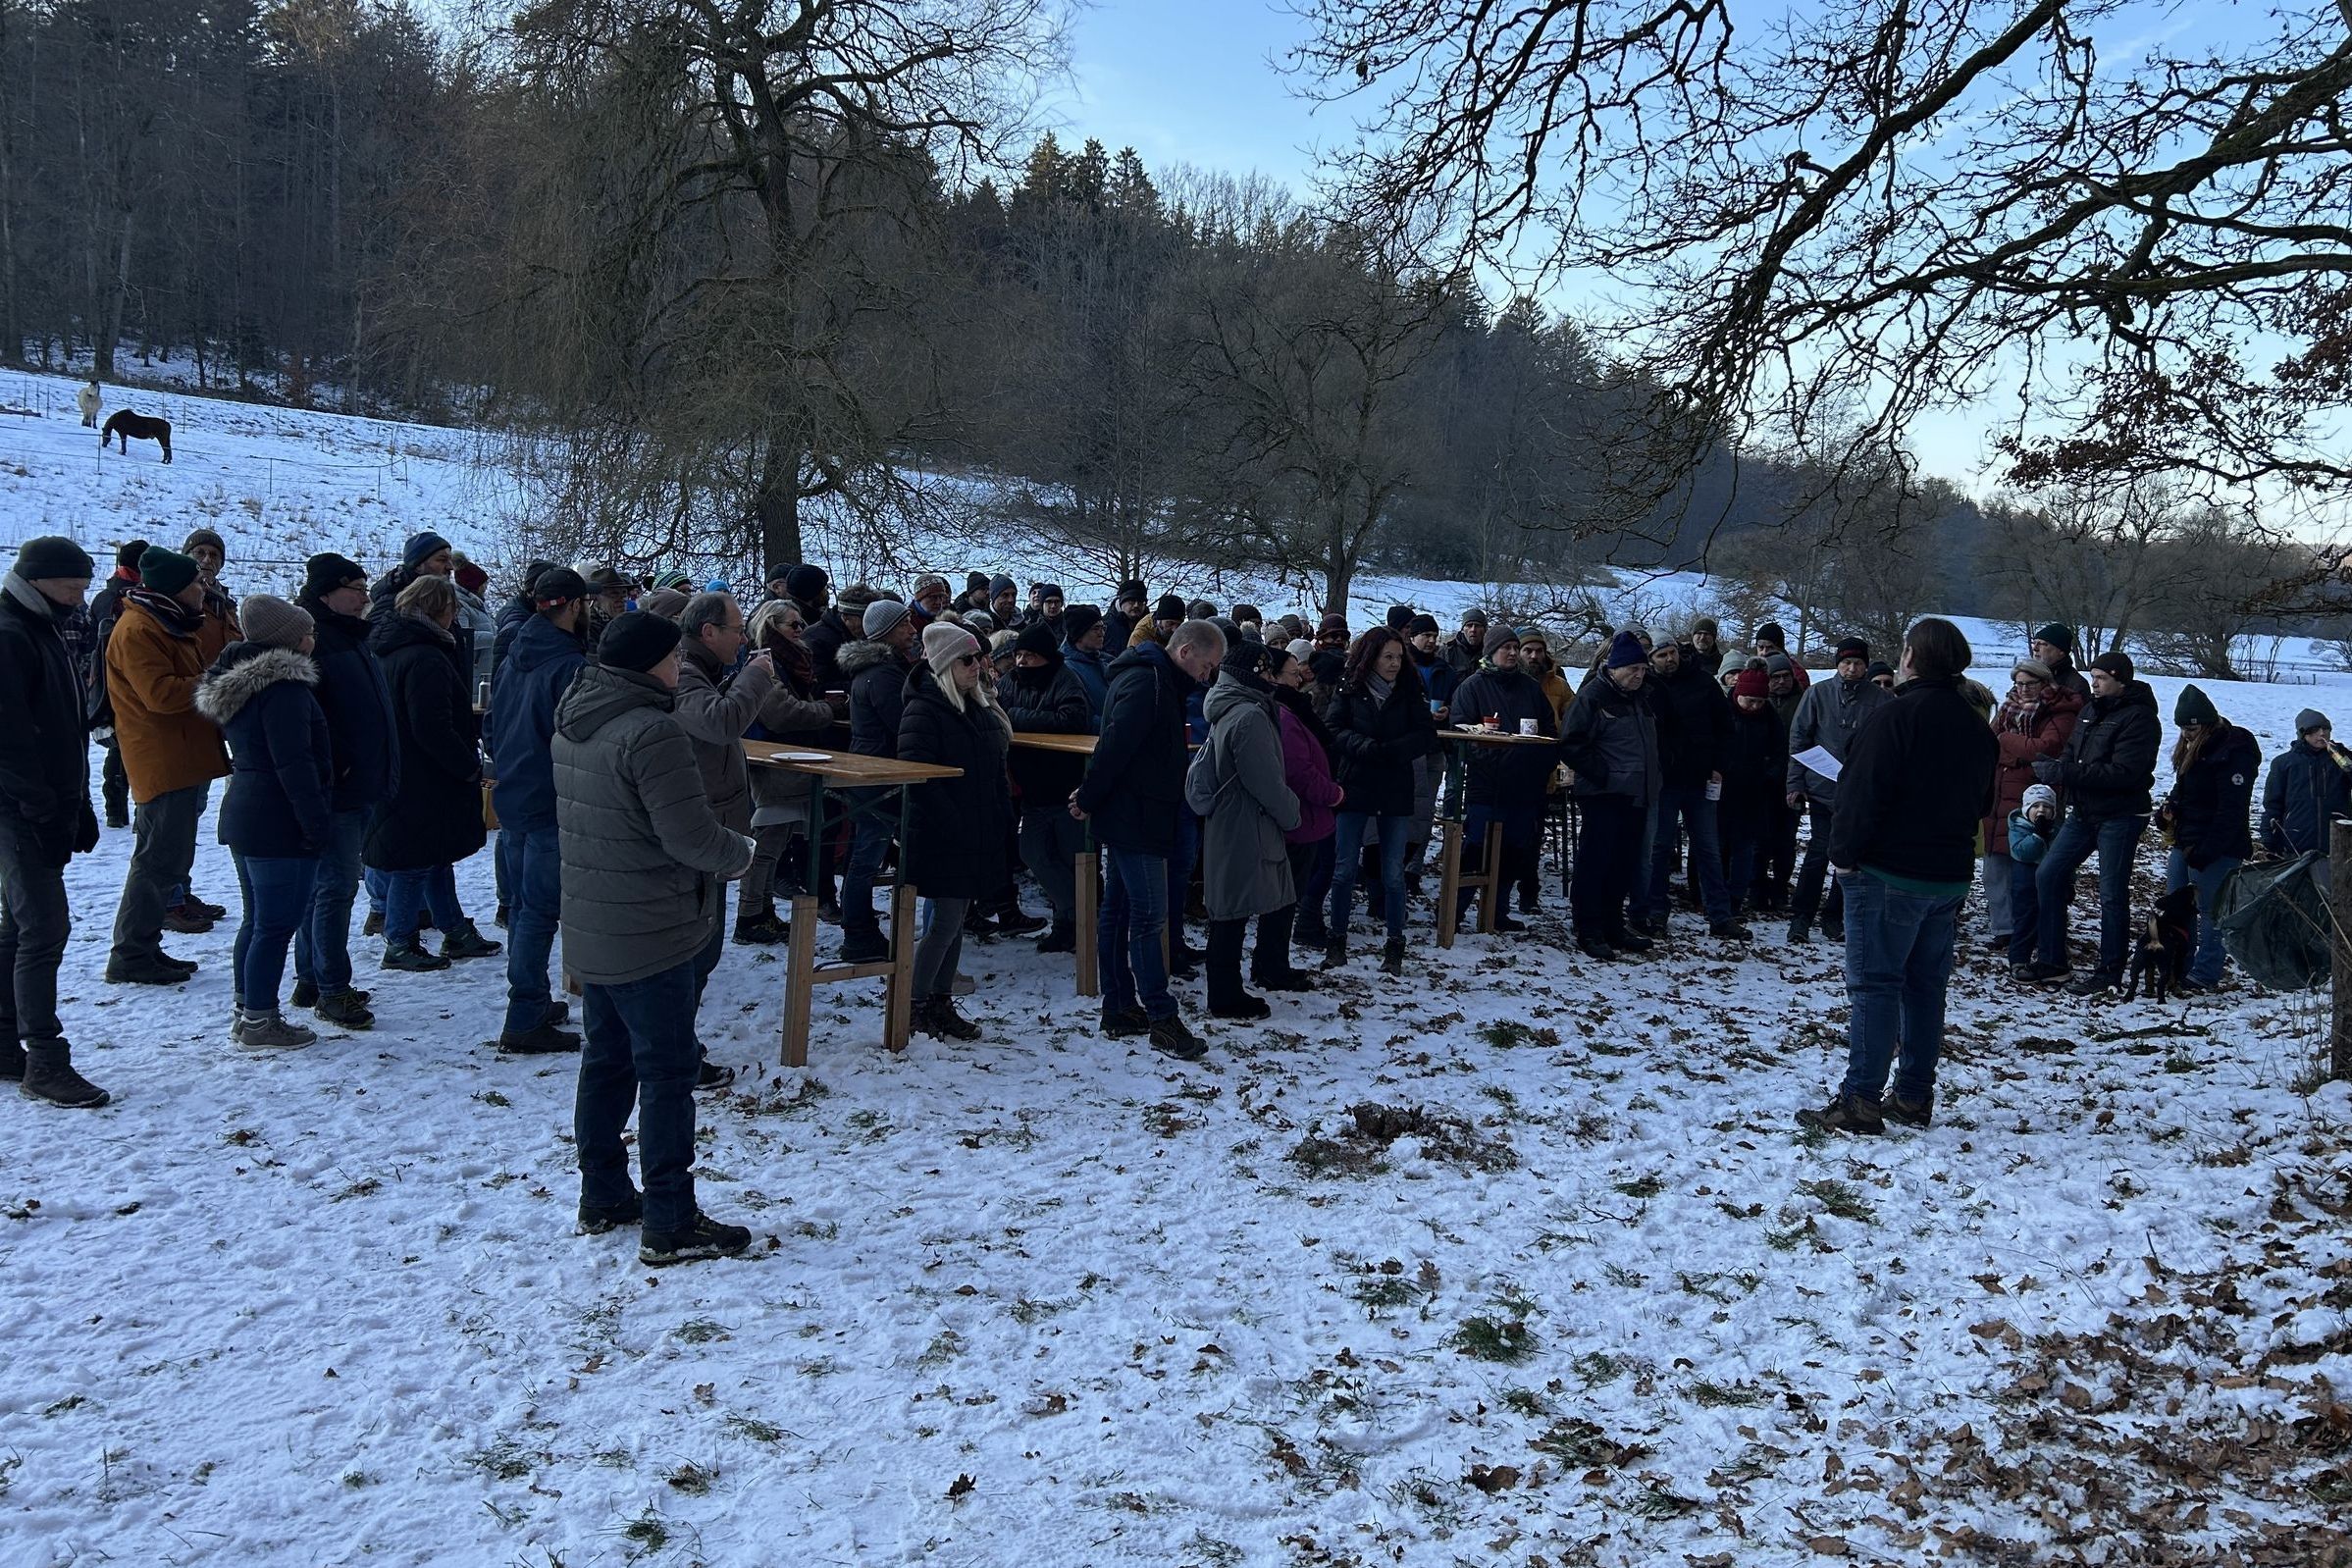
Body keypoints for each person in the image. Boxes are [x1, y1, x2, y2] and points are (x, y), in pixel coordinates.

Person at [555, 611, 757, 1266]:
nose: (680, 666)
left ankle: (604, 1194)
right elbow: (690, 837)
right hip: (653, 928)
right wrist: (743, 853)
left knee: (606, 1061)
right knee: (667, 1073)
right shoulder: (652, 730)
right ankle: (670, 1220)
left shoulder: (576, 715)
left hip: (597, 924)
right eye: (673, 656)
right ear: (651, 663)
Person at [1798, 617, 1996, 1135]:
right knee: (1925, 987)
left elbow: (1860, 792)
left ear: (1911, 658)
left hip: (1889, 872)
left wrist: (1843, 856)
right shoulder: (1976, 725)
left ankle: (1861, 1099)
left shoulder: (1893, 716)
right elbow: (1984, 802)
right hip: (1948, 875)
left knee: (1876, 985)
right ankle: (1912, 1095)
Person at [1075, 618, 1224, 1061]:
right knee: (1147, 916)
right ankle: (1161, 1016)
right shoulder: (1148, 683)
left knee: (1120, 911)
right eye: (1207, 665)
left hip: (1141, 812)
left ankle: (1119, 1006)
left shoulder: (1159, 681)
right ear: (1185, 651)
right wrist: (1089, 796)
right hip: (1135, 816)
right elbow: (1115, 745)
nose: (1208, 675)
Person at [195, 596, 333, 1051]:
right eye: (307, 631)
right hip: (278, 819)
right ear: (288, 640)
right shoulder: (284, 690)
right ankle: (260, 1020)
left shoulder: (241, 684)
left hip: (246, 812)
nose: (313, 638)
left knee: (257, 920)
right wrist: (315, 822)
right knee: (275, 925)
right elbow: (295, 764)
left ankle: (247, 1010)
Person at [0, 538, 109, 1105]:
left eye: (84, 586)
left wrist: (79, 805)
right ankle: (44, 1059)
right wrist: (43, 810)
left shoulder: (42, 626)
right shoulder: (10, 634)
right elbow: (10, 741)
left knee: (18, 928)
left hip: (39, 804)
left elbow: (64, 729)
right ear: (37, 579)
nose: (79, 597)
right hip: (18, 810)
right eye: (71, 586)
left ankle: (3, 1041)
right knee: (44, 929)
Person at [105, 547, 232, 983]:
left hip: (180, 756)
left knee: (167, 861)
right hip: (163, 760)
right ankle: (131, 955)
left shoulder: (168, 620)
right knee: (156, 863)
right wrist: (220, 681)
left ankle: (142, 948)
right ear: (175, 589)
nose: (203, 589)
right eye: (196, 583)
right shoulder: (140, 629)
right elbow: (160, 695)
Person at [366, 573, 500, 971]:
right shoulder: (425, 656)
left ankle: (454, 929)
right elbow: (432, 727)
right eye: (452, 609)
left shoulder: (393, 648)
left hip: (406, 770)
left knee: (434, 857)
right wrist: (467, 765)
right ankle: (400, 940)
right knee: (415, 863)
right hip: (424, 777)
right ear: (438, 610)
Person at [287, 554, 397, 1031]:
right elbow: (309, 718)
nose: (364, 597)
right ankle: (332, 988)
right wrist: (343, 761)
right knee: (334, 888)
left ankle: (312, 977)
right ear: (328, 592)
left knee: (325, 888)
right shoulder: (315, 642)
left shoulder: (351, 636)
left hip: (358, 781)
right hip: (339, 788)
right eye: (356, 588)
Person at [489, 569, 591, 1053]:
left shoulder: (515, 653)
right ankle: (525, 1014)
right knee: (537, 911)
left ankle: (531, 999)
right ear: (575, 605)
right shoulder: (569, 666)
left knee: (523, 908)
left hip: (514, 791)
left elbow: (491, 723)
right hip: (547, 797)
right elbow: (577, 738)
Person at [898, 625, 1015, 1039]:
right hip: (942, 835)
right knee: (946, 921)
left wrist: (1001, 818)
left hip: (975, 829)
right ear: (947, 665)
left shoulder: (976, 706)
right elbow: (919, 778)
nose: (977, 666)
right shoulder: (924, 710)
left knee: (956, 919)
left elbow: (994, 767)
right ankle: (914, 1003)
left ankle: (939, 1000)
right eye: (967, 659)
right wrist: (955, 824)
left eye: (979, 658)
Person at [2025, 650, 2160, 993]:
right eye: (2093, 677)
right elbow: (2072, 752)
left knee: (2111, 893)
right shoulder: (2090, 710)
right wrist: (2056, 766)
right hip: (2084, 811)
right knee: (2048, 874)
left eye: (2101, 678)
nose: (2094, 684)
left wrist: (2065, 772)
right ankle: (2052, 961)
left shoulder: (2140, 718)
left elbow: (2124, 773)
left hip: (2121, 814)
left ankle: (2109, 972)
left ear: (2121, 680)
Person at [1189, 641, 1303, 1017]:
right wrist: (1292, 813)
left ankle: (1230, 987)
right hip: (1244, 824)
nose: (1273, 679)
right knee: (1231, 912)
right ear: (1251, 675)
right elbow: (1265, 781)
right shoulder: (1249, 717)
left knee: (1230, 908)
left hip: (1233, 822)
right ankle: (1225, 995)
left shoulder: (1231, 708)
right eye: (1267, 671)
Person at [1323, 627, 1437, 973]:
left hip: (1394, 787)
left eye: (1399, 657)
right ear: (1371, 657)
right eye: (1388, 657)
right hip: (1355, 783)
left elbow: (1425, 735)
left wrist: (1394, 751)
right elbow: (1333, 729)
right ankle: (1336, 942)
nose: (1394, 663)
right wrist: (1365, 747)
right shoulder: (1350, 687)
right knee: (1344, 869)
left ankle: (1395, 945)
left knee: (1393, 873)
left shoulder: (1409, 690)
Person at [729, 597, 841, 947]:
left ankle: (760, 913)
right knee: (766, 844)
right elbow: (780, 712)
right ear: (771, 626)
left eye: (801, 623)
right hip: (774, 760)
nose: (800, 630)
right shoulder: (765, 662)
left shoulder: (787, 659)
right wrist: (827, 710)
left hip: (788, 759)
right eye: (793, 624)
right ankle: (750, 916)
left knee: (773, 844)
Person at [1783, 637, 1892, 945]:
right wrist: (1795, 784)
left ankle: (1834, 916)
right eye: (1846, 662)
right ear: (1838, 664)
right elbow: (1799, 740)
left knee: (1850, 858)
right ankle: (1801, 916)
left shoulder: (1881, 700)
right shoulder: (1818, 694)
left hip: (1860, 793)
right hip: (1821, 787)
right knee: (1818, 853)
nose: (1852, 668)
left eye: (1857, 663)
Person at [1560, 631, 1660, 961]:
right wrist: (1604, 775)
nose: (1639, 675)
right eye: (1633, 669)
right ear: (1614, 668)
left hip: (1636, 793)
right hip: (1603, 794)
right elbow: (1572, 743)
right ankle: (1588, 927)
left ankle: (1613, 923)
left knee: (1623, 863)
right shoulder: (1593, 696)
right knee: (1595, 862)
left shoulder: (1641, 699)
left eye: (1643, 669)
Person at [1448, 625, 1556, 932]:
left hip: (1524, 786)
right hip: (1486, 784)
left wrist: (1539, 764)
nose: (1511, 653)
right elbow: (1459, 731)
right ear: (1491, 652)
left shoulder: (1530, 687)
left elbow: (1549, 729)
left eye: (1514, 648)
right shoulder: (1472, 686)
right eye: (1505, 648)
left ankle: (1497, 911)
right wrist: (1489, 756)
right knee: (1476, 848)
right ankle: (1454, 910)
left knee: (1513, 850)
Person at [1637, 631, 1744, 938]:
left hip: (1701, 778)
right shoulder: (1646, 688)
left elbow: (1726, 729)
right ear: (1651, 660)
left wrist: (1720, 766)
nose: (1669, 659)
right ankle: (1656, 911)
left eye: (1671, 652)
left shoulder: (1703, 682)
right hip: (1664, 781)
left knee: (1708, 848)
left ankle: (1719, 915)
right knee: (1659, 849)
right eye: (1661, 655)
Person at [999, 622, 1097, 952]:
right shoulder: (1010, 681)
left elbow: (1073, 719)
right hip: (1030, 788)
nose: (1022, 661)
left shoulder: (1066, 679)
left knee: (1072, 859)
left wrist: (1017, 716)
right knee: (1033, 853)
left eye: (1030, 655)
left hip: (1065, 787)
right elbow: (996, 711)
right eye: (1019, 655)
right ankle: (1080, 909)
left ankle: (1072, 925)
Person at [2157, 685, 2259, 993]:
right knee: (2178, 905)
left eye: (2191, 729)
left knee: (2212, 911)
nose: (2185, 735)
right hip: (2186, 840)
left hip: (2217, 846)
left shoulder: (2233, 752)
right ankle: (2180, 965)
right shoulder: (2192, 750)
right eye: (2182, 729)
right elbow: (2183, 789)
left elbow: (2232, 810)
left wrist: (2208, 850)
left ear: (2208, 724)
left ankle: (2206, 972)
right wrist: (2169, 809)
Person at [835, 600, 921, 963]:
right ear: (886, 632)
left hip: (871, 773)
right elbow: (903, 724)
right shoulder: (884, 675)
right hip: (880, 776)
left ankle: (859, 927)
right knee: (867, 858)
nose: (912, 630)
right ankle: (858, 934)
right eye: (904, 625)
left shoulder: (877, 670)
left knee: (865, 854)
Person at [1983, 658, 2081, 960]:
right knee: (1995, 867)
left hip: (2035, 795)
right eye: (2019, 683)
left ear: (2044, 683)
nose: (2024, 689)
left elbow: (2046, 749)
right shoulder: (2007, 708)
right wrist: (2015, 752)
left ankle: (2033, 929)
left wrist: (2007, 741)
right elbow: (1989, 743)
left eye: (2030, 683)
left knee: (2029, 867)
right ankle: (2004, 928)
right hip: (2000, 793)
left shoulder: (2058, 710)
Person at [1720, 667, 1789, 915]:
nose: (1754, 706)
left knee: (1745, 847)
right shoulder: (1723, 711)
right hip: (1723, 789)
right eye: (1750, 701)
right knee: (1718, 845)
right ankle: (1715, 895)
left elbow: (1780, 751)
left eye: (1760, 701)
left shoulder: (1769, 717)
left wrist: (1768, 775)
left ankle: (1737, 897)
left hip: (1755, 791)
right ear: (1738, 695)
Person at [2261, 709, 2352, 859]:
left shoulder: (2342, 759)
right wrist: (2268, 838)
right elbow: (2272, 804)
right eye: (2314, 730)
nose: (2322, 734)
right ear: (2303, 734)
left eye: (2325, 729)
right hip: (2295, 844)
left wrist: (2346, 760)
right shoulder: (2284, 763)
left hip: (2339, 843)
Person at [1061, 604, 1111, 717]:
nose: (1102, 633)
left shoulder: (1106, 661)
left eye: (1103, 628)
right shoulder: (1067, 669)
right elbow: (1081, 716)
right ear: (1079, 634)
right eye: (1096, 629)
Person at [2029, 624, 2091, 702]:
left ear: (2061, 651)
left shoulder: (2076, 685)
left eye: (2043, 644)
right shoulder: (2026, 678)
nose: (2035, 648)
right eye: (2034, 643)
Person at [1103, 581, 1148, 655]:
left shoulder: (1150, 627)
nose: (1136, 605)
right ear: (1121, 602)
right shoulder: (1104, 626)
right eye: (1131, 601)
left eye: (1140, 602)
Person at [1443, 607, 1489, 681]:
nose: (1473, 630)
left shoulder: (1490, 653)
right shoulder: (1447, 652)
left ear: (1485, 629)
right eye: (1469, 625)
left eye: (1477, 625)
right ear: (1462, 629)